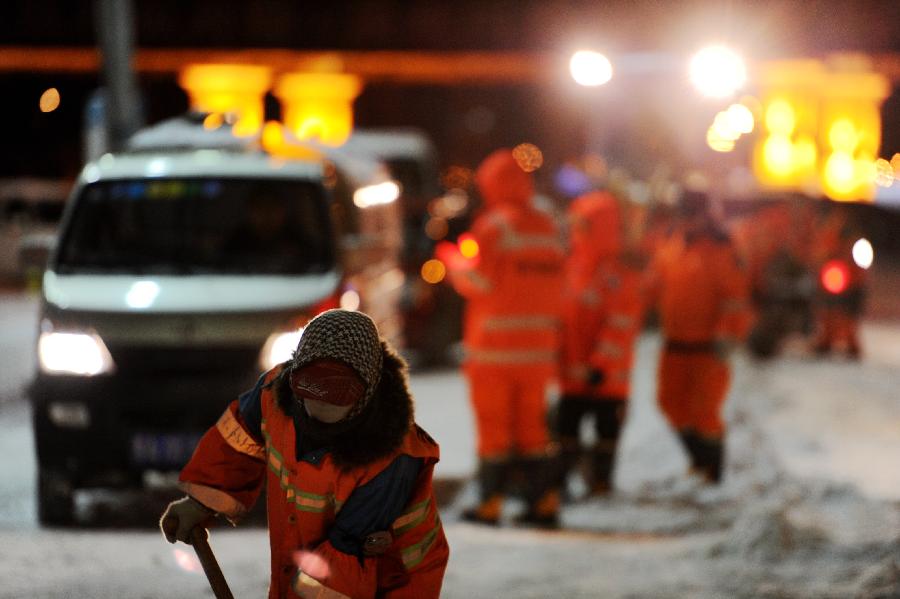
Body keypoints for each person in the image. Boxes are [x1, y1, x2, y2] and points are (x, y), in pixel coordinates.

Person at [159, 309, 449, 599]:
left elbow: (338, 571)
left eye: (337, 392)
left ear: (366, 390)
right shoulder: (274, 394)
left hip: (389, 582)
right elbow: (236, 445)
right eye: (308, 386)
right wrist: (201, 504)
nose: (318, 405)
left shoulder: (390, 459)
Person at [441, 148, 565, 528]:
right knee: (532, 429)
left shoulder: (494, 226)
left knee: (494, 428)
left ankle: (490, 504)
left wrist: (454, 263)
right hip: (537, 349)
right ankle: (543, 502)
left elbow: (480, 282)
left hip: (494, 350)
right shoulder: (546, 225)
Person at [646, 190, 750, 484]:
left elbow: (735, 298)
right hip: (675, 342)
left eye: (691, 215)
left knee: (705, 411)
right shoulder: (672, 244)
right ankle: (699, 460)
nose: (687, 221)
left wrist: (728, 334)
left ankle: (711, 471)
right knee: (669, 403)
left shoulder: (723, 249)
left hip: (708, 346)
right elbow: (655, 283)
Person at [557, 191, 644, 497]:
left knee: (607, 431)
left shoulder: (618, 274)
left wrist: (600, 365)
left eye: (582, 225)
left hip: (607, 378)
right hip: (572, 376)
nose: (575, 230)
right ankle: (562, 482)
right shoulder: (572, 267)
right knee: (565, 429)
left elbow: (620, 325)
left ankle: (601, 482)